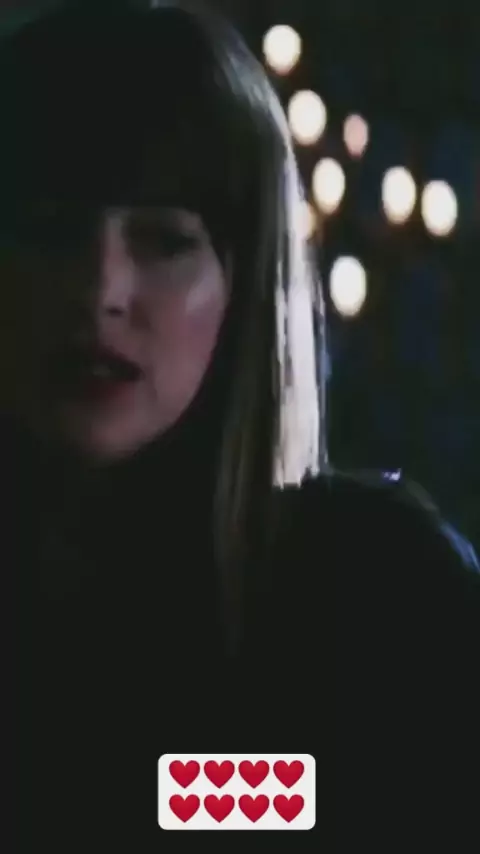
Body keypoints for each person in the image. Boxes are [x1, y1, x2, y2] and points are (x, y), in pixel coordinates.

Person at [2, 1, 479, 850]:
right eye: (51, 231)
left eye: (163, 240)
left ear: (242, 279)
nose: (100, 289)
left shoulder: (379, 599)